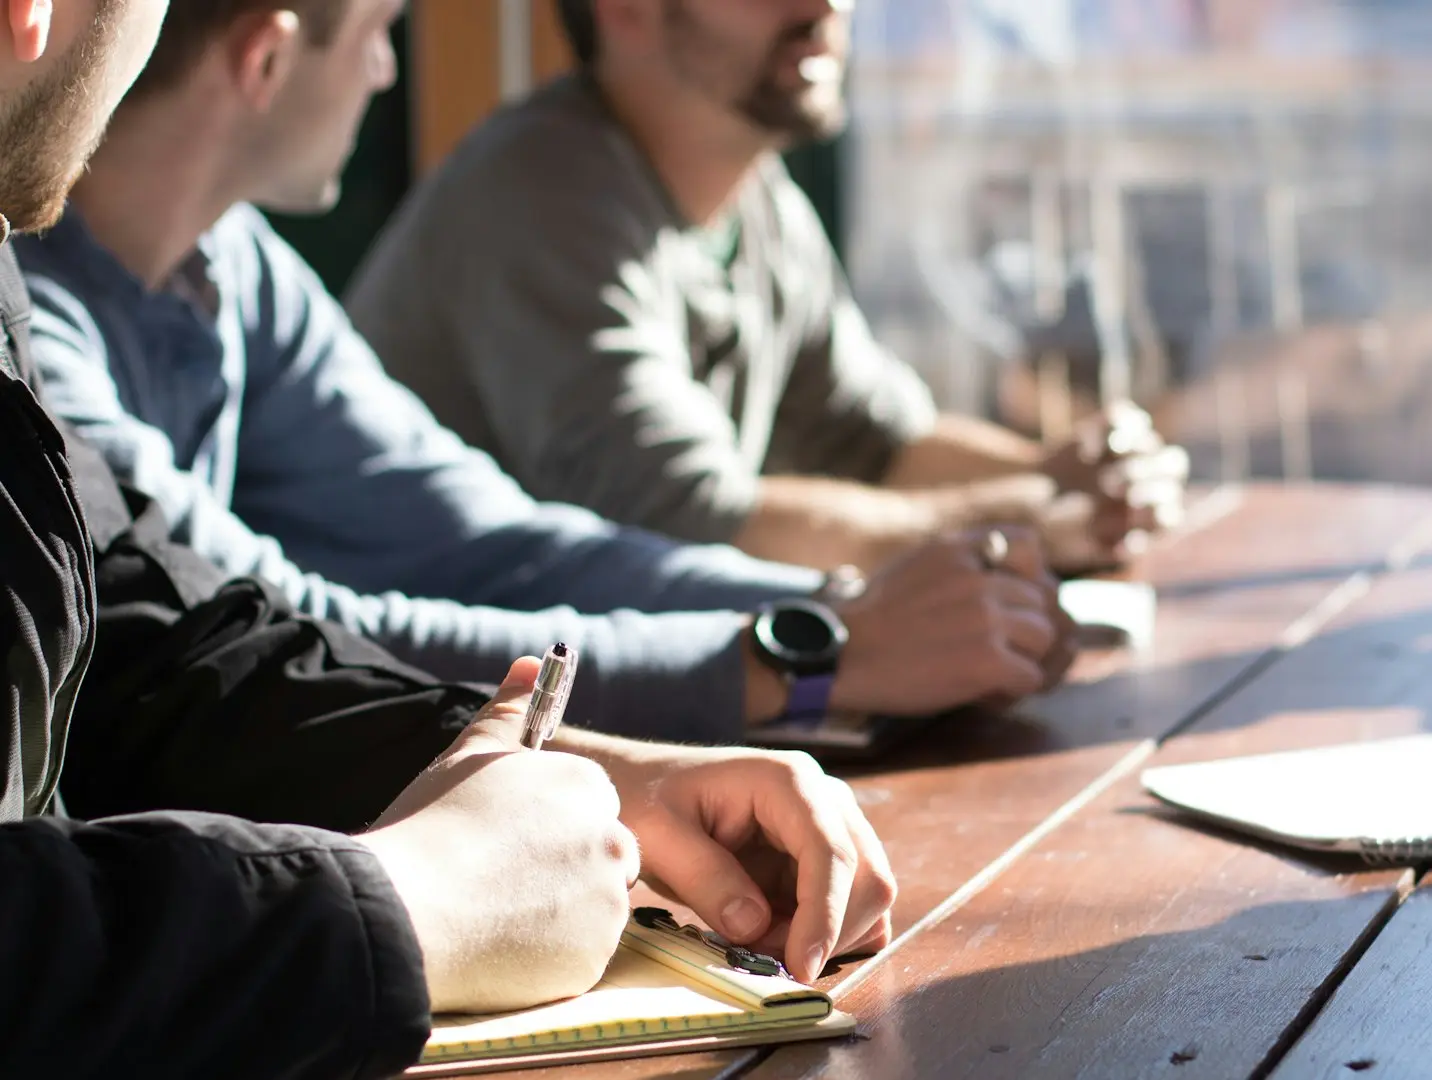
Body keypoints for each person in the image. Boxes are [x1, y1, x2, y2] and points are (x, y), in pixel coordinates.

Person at [0, 2, 894, 1075]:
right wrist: (405, 901)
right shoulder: (541, 184)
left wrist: (563, 765)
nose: (389, 70)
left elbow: (154, 641)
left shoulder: (178, 266)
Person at [21, 0, 1074, 746]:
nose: (390, 72)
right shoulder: (34, 334)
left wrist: (832, 606)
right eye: (388, 29)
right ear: (263, 61)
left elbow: (485, 539)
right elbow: (274, 636)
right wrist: (807, 654)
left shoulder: (230, 264)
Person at [346, 0, 1190, 576]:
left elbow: (878, 442)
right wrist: (1031, 518)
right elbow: (690, 525)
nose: (829, 5)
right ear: (626, 9)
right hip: (446, 731)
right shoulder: (540, 192)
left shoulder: (755, 196)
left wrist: (1070, 474)